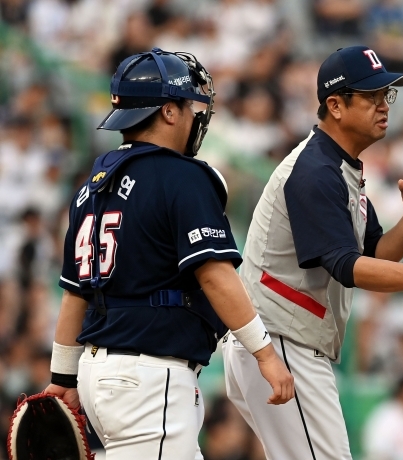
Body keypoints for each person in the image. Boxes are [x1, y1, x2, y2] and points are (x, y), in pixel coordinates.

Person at [223, 45, 403, 460]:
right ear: (334, 104)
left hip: (284, 341)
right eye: (370, 96)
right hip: (280, 341)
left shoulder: (341, 167)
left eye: (387, 95)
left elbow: (374, 254)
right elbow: (347, 267)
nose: (384, 105)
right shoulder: (314, 171)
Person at [43, 48, 294, 459]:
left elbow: (75, 294)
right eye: (190, 106)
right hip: (148, 377)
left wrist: (62, 376)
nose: (197, 116)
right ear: (169, 112)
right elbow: (214, 275)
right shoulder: (182, 176)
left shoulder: (90, 186)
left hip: (96, 373)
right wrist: (265, 355)